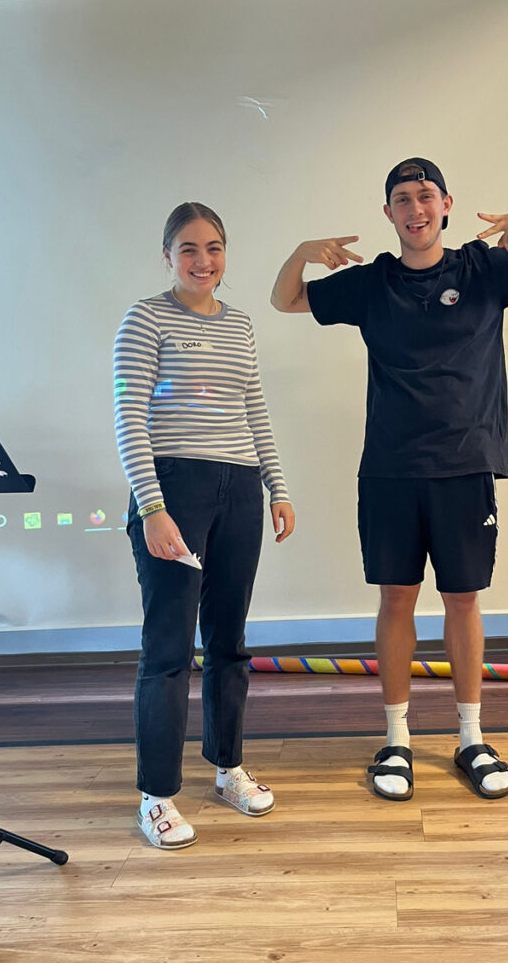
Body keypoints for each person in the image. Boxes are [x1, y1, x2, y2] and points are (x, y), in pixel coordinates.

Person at [270, 158, 508, 802]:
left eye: (425, 196)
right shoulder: (373, 283)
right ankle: (397, 740)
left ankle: (471, 737)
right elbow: (287, 299)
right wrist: (302, 253)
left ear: (446, 204)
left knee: (463, 600)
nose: (415, 209)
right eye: (402, 199)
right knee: (396, 599)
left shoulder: (482, 269)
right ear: (387, 213)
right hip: (390, 467)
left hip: (465, 464)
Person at [115, 201, 294, 848]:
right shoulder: (145, 318)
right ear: (167, 255)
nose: (202, 260)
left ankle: (227, 768)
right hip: (175, 489)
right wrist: (153, 507)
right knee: (168, 649)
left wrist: (277, 486)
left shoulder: (240, 323)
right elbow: (128, 416)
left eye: (213, 247)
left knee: (228, 643)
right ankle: (157, 797)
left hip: (239, 487)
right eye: (188, 248)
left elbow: (254, 407)